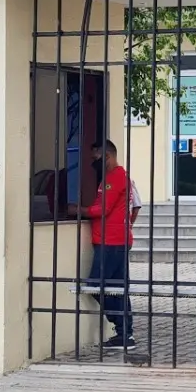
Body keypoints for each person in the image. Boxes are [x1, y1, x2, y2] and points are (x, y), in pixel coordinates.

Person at [76, 140, 134, 349]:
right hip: (117, 239)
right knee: (117, 287)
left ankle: (121, 326)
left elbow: (102, 209)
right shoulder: (121, 177)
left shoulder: (115, 178)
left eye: (96, 157)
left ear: (107, 156)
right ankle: (125, 334)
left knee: (95, 286)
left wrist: (78, 210)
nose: (94, 162)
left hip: (111, 241)